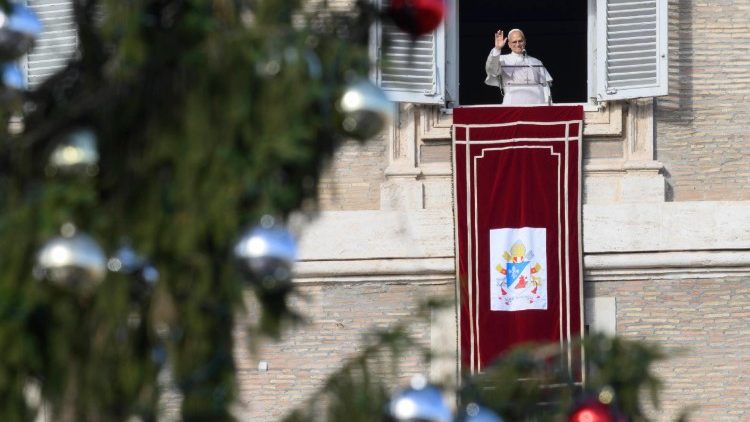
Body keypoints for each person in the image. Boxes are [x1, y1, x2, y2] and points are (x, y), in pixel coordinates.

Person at [485, 29, 553, 105]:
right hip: (513, 104)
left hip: (537, 103)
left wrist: (548, 104)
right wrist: (497, 49)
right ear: (509, 44)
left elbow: (545, 85)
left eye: (520, 41)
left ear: (525, 41)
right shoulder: (502, 60)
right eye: (514, 42)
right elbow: (492, 70)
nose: (518, 44)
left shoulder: (536, 62)